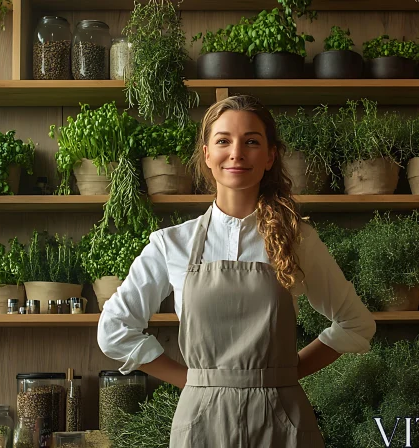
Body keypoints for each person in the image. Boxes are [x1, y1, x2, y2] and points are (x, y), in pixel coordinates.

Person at [97, 94, 376, 447]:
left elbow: (357, 324)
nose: (237, 153)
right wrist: (191, 380)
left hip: (281, 420)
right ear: (207, 154)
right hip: (200, 422)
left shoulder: (297, 239)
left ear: (271, 155)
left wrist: (284, 375)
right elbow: (114, 330)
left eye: (252, 142)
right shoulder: (172, 244)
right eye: (224, 141)